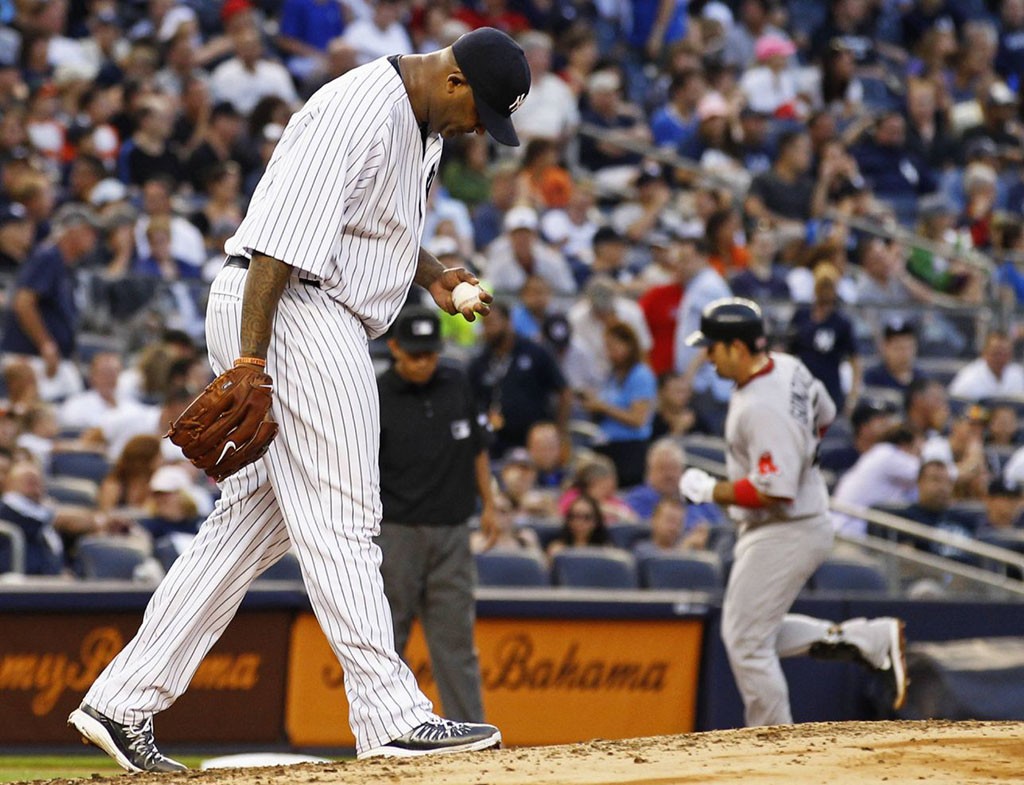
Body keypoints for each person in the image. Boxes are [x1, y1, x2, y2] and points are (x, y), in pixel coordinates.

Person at [69, 27, 529, 770]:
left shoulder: (422, 123)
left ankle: (121, 701)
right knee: (347, 510)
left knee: (257, 519)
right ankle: (390, 715)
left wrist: (437, 274)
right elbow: (282, 241)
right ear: (453, 81)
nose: (480, 129)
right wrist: (252, 358)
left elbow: (374, 225)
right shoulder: (357, 108)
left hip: (307, 304)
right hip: (290, 303)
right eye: (481, 112)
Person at [677, 298, 907, 726]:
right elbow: (825, 414)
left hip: (786, 526)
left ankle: (774, 744)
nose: (707, 356)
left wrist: (712, 490)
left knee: (746, 641)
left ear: (738, 348)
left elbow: (775, 492)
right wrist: (797, 454)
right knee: (749, 632)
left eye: (713, 347)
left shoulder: (760, 406)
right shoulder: (787, 366)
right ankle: (866, 639)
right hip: (798, 519)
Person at [375, 305, 494, 724]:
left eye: (430, 353)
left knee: (456, 643)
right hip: (397, 534)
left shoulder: (456, 381)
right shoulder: (375, 394)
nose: (425, 362)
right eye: (415, 354)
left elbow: (477, 448)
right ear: (394, 348)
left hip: (452, 532)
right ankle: (388, 729)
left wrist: (491, 504)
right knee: (388, 642)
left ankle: (473, 736)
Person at [0, 205, 97, 403]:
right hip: (31, 360)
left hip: (50, 360)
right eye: (89, 232)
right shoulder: (48, 256)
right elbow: (23, 302)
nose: (94, 239)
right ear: (73, 231)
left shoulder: (64, 262)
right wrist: (46, 344)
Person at [469, 300, 569, 457]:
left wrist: (559, 430)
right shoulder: (480, 361)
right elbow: (470, 399)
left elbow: (563, 391)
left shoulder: (535, 352)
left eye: (491, 323)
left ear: (508, 322)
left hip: (532, 440)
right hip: (495, 441)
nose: (487, 330)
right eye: (484, 325)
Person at [577, 322, 657, 487]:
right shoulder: (612, 375)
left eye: (613, 347)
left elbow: (638, 419)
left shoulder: (640, 375)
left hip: (630, 451)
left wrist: (603, 407)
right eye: (607, 347)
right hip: (607, 446)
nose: (609, 353)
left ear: (628, 345)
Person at [787, 262, 860, 413]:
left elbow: (855, 359)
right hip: (803, 387)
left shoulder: (841, 322)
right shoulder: (802, 315)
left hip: (830, 389)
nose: (825, 291)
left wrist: (853, 396)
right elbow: (788, 352)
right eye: (823, 285)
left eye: (829, 286)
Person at [948, 330, 1024, 401]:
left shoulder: (1018, 374)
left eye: (1005, 354)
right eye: (996, 353)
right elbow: (957, 404)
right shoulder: (968, 377)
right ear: (985, 353)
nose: (1000, 358)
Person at [632, 497, 710, 560]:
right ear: (654, 520)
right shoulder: (642, 551)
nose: (673, 527)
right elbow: (663, 571)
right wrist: (684, 547)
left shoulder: (690, 550)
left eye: (678, 523)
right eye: (670, 521)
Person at [546, 492, 611, 560]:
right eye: (574, 516)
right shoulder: (556, 551)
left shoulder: (607, 553)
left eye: (586, 517)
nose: (579, 522)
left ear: (596, 521)